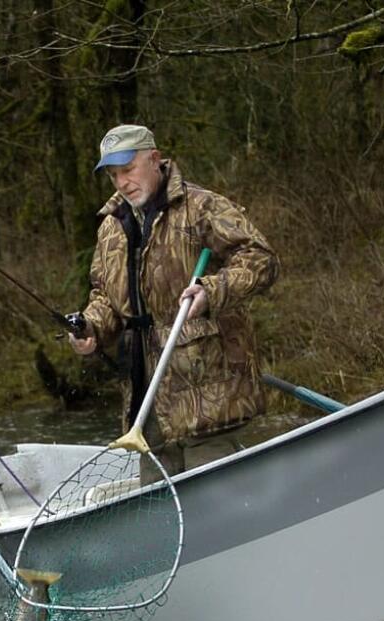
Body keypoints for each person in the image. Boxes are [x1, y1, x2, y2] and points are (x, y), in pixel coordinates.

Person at [69, 124, 279, 475]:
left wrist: (213, 291)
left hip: (208, 400)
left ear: (155, 159)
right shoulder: (111, 227)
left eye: (128, 170)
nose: (122, 183)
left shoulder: (202, 207)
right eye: (113, 176)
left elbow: (261, 259)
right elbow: (105, 296)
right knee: (161, 514)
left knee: (218, 510)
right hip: (147, 406)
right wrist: (91, 328)